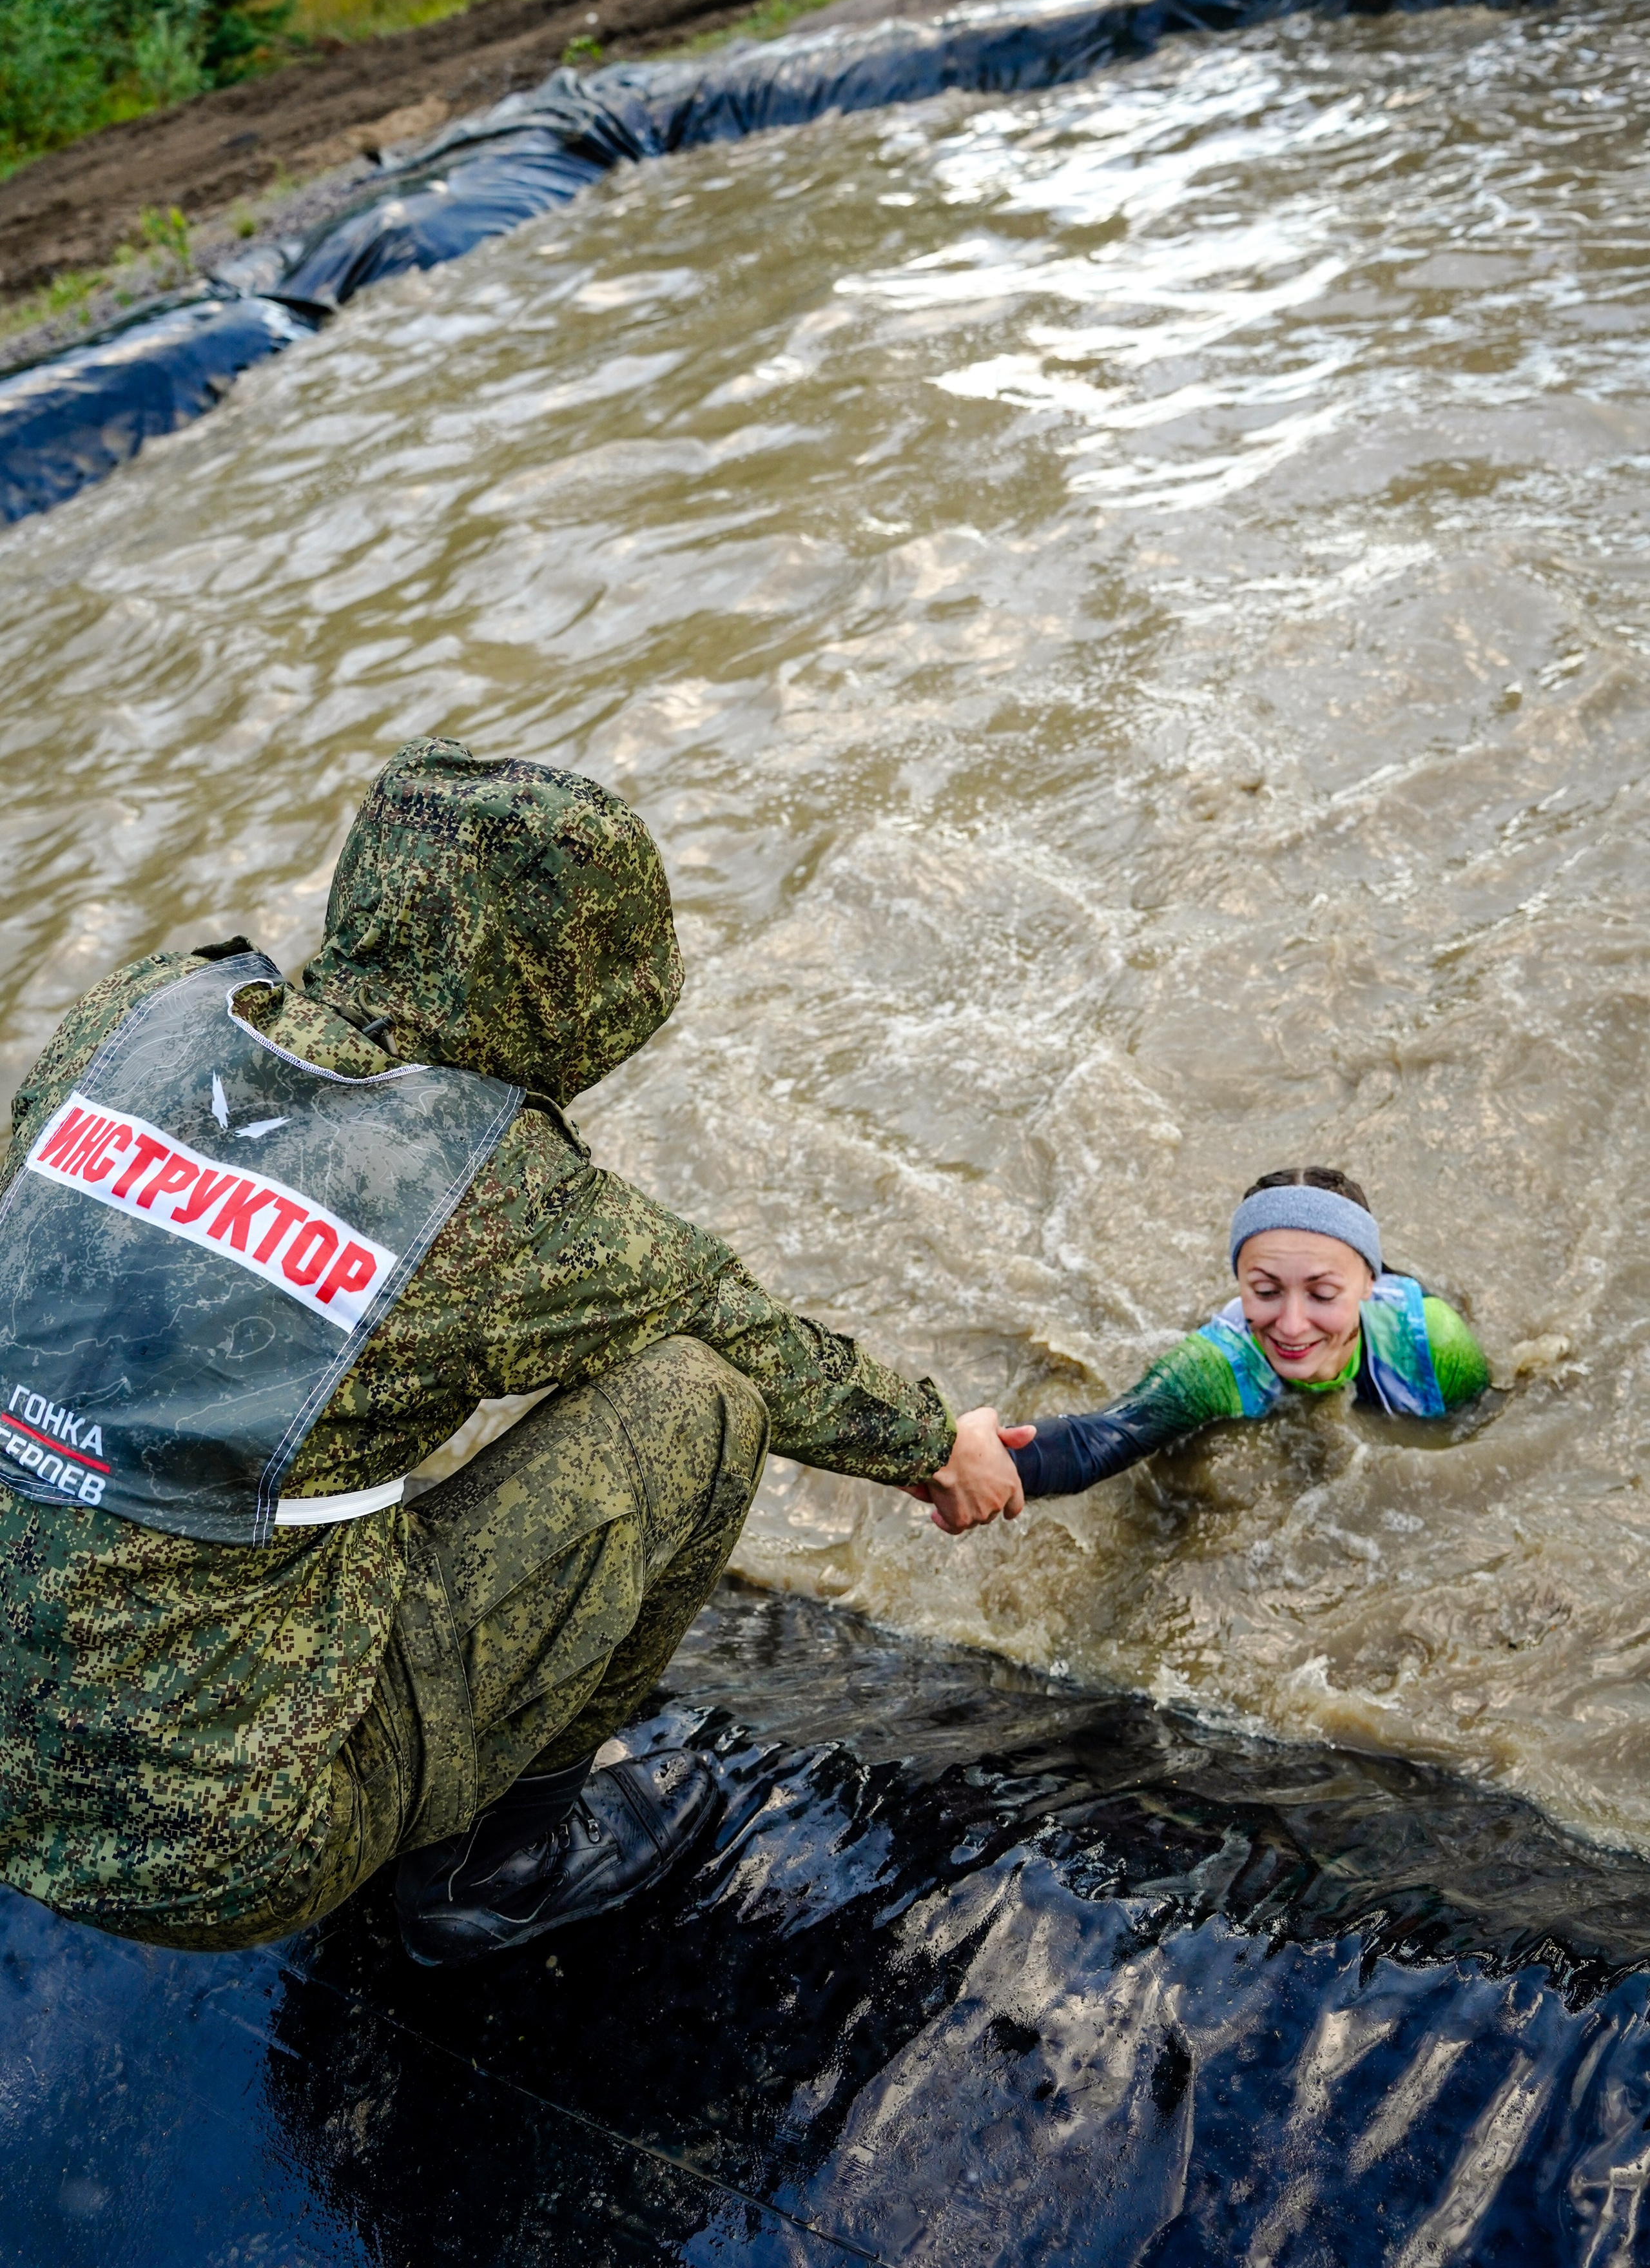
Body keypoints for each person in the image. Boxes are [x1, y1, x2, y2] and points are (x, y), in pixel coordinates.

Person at [0, 739, 1025, 1968]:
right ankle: (500, 1864)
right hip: (214, 1852)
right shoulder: (493, 1194)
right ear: (574, 986)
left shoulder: (143, 1019)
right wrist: (940, 1442)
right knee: (698, 1406)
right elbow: (744, 1335)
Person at [1009, 1167, 1491, 1500]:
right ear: (1239, 1284)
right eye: (1265, 1291)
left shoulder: (1432, 1344)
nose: (1292, 1325)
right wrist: (960, 1456)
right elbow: (1099, 1441)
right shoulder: (1216, 1363)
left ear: (1371, 1281)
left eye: (1322, 1294)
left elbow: (1480, 1439)